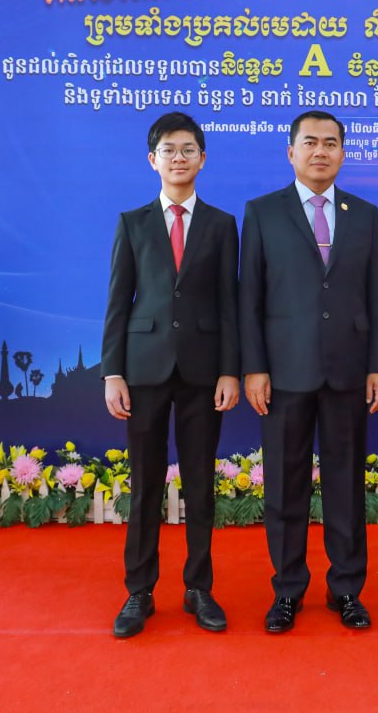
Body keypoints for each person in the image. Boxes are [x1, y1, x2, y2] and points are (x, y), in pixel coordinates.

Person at [239, 109, 378, 633]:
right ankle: (287, 590)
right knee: (285, 486)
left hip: (349, 370)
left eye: (330, 143)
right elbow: (249, 297)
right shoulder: (262, 212)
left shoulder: (364, 214)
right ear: (291, 152)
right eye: (310, 142)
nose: (320, 151)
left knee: (347, 486)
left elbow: (376, 294)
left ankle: (346, 589)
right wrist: (254, 367)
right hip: (284, 373)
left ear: (343, 152)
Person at [101, 111, 240, 639]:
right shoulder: (132, 223)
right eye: (168, 150)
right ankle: (139, 590)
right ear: (152, 159)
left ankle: (199, 587)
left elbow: (229, 304)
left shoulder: (221, 224)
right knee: (145, 484)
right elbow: (118, 302)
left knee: (201, 483)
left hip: (204, 371)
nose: (178, 158)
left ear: (202, 159)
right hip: (144, 369)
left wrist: (230, 370)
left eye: (188, 150)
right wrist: (112, 372)